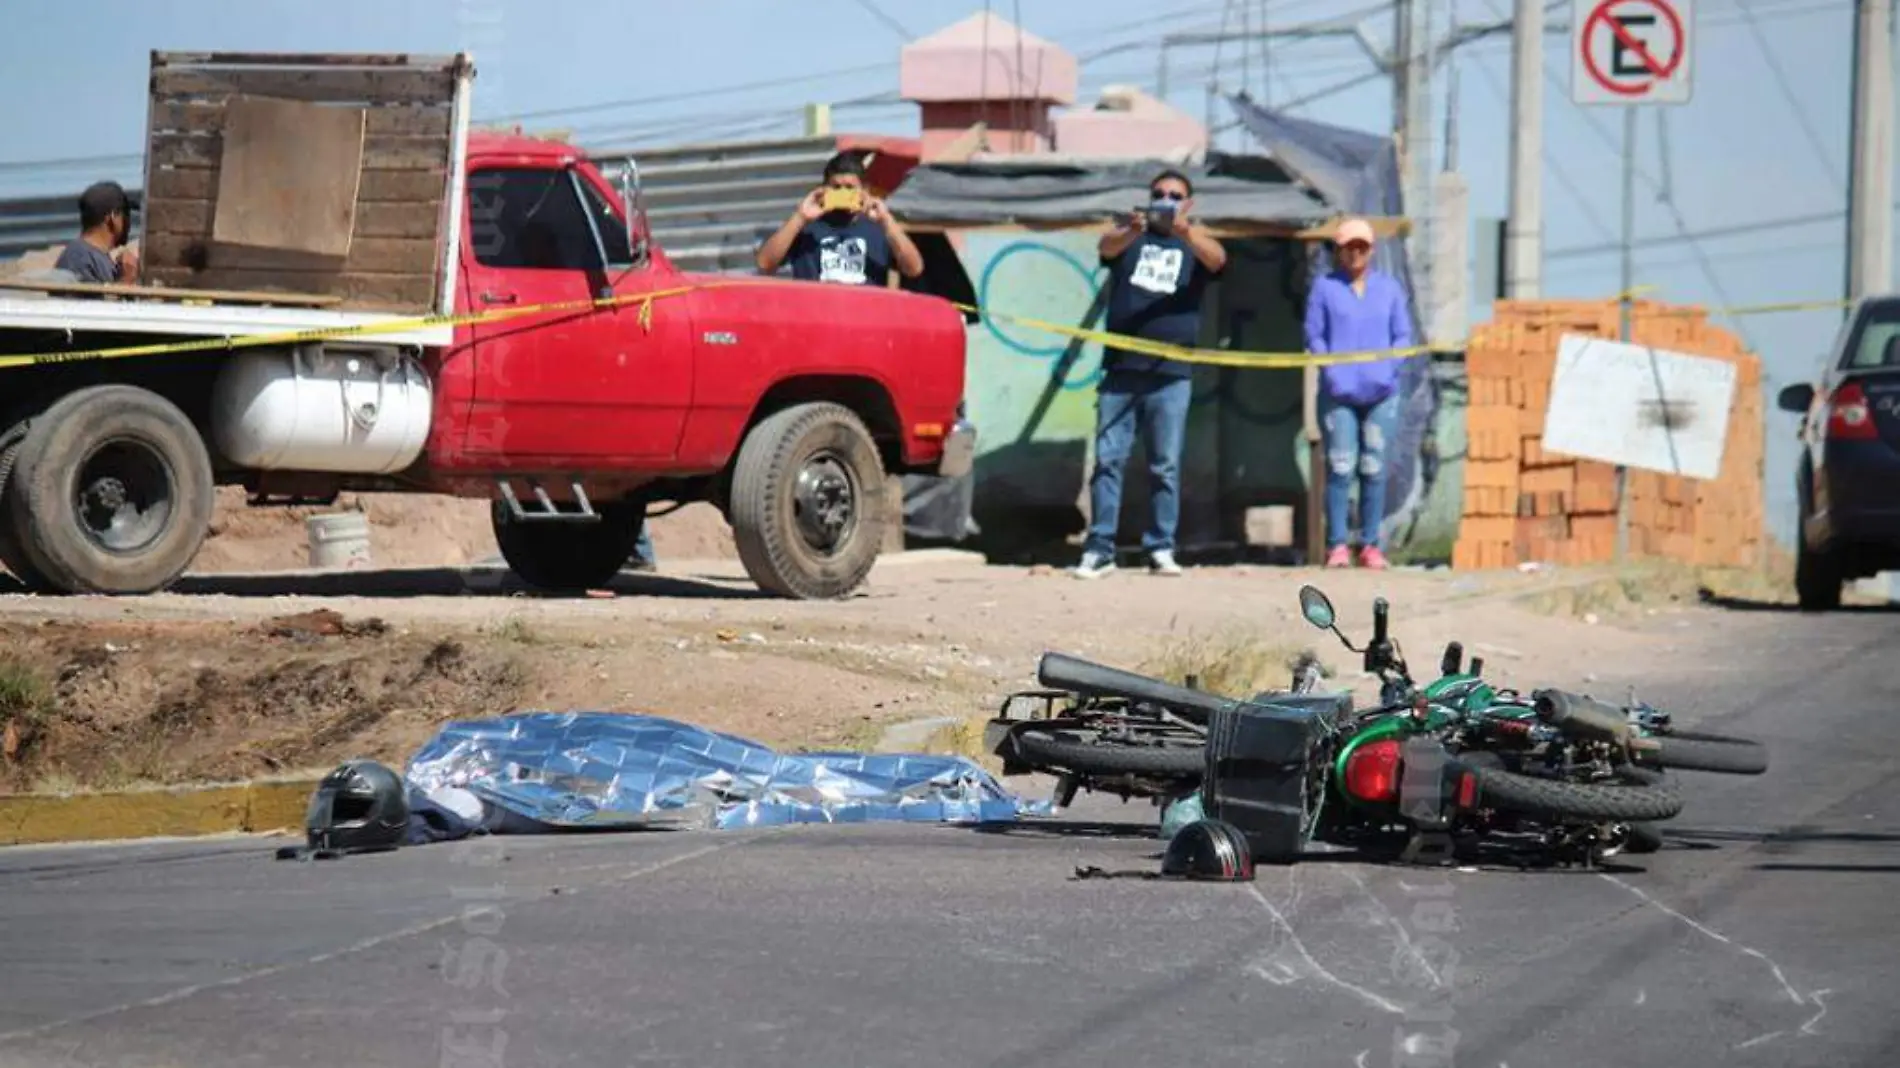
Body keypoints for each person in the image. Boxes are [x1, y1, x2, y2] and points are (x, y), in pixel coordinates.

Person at [1073, 169, 1226, 580]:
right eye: (1159, 194)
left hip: (1171, 374)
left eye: (1174, 195)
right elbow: (1104, 249)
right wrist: (1131, 228)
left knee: (1165, 466)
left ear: (1187, 204)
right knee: (1109, 461)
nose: (1165, 200)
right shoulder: (1129, 236)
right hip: (1121, 372)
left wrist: (1185, 232)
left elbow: (1219, 259)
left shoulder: (1194, 243)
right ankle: (1099, 548)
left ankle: (1161, 547)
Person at [1303, 216, 1415, 571]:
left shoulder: (1389, 288)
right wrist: (1331, 372)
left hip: (1382, 394)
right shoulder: (1324, 288)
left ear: (1372, 250)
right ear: (1338, 251)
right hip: (1339, 394)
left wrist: (1389, 370)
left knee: (1374, 467)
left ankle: (1370, 544)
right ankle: (1337, 545)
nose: (1355, 253)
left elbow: (1402, 336)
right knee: (1340, 467)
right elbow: (1314, 335)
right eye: (1349, 247)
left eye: (1362, 246)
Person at [754, 151, 924, 285]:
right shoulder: (806, 228)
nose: (843, 193)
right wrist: (800, 216)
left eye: (850, 187)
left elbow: (914, 269)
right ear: (824, 188)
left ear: (864, 189)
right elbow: (764, 264)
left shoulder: (878, 229)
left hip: (864, 320)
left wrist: (886, 220)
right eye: (836, 187)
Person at [54, 180, 140, 285]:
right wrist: (127, 279)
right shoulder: (79, 259)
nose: (128, 221)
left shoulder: (93, 256)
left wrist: (121, 273)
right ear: (113, 217)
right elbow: (90, 301)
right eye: (126, 214)